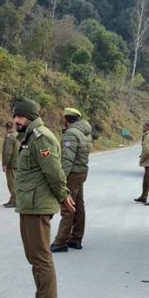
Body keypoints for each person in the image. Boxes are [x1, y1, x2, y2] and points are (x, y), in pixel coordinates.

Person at [12, 98, 76, 298]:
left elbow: (54, 172)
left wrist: (64, 196)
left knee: (41, 257)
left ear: (29, 116)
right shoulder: (29, 137)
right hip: (29, 204)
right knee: (33, 256)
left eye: (19, 116)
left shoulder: (41, 137)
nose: (16, 120)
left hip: (38, 205)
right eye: (15, 116)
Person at [51, 108, 92, 252]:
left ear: (66, 119)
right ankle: (75, 239)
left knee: (67, 207)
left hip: (72, 174)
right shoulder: (84, 132)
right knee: (79, 206)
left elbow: (67, 159)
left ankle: (61, 241)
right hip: (81, 172)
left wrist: (61, 178)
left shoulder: (71, 134)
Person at [1, 121, 20, 208]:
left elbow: (7, 152)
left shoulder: (9, 137)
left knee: (12, 183)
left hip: (11, 164)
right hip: (18, 162)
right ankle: (14, 199)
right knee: (16, 182)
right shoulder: (18, 135)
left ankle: (14, 201)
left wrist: (5, 164)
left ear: (6, 128)